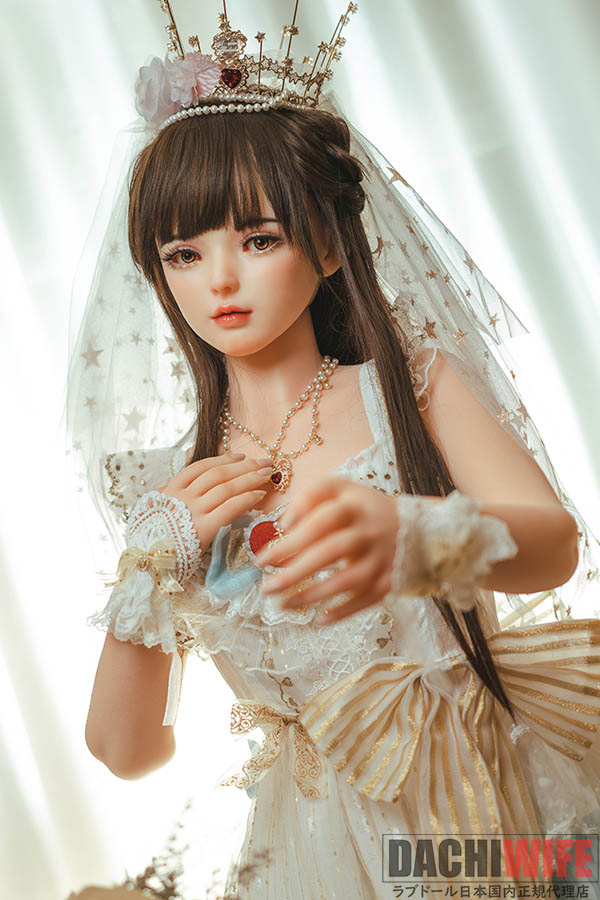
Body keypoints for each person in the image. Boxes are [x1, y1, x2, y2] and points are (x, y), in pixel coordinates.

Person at [66, 3, 600, 896]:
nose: (220, 278)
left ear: (325, 246)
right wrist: (149, 567)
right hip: (310, 852)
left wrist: (415, 535)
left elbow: (553, 546)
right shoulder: (172, 489)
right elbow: (128, 753)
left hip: (474, 803)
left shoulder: (411, 389)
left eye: (258, 239)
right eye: (184, 254)